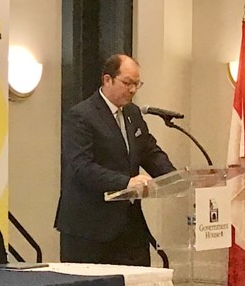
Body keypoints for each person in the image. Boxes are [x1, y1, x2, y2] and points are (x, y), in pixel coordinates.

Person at [54, 54, 175, 266]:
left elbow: (149, 151)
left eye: (137, 84)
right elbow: (81, 167)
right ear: (107, 79)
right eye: (127, 83)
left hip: (130, 226)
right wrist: (126, 183)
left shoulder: (133, 113)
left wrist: (174, 177)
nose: (133, 90)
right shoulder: (81, 115)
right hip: (90, 230)